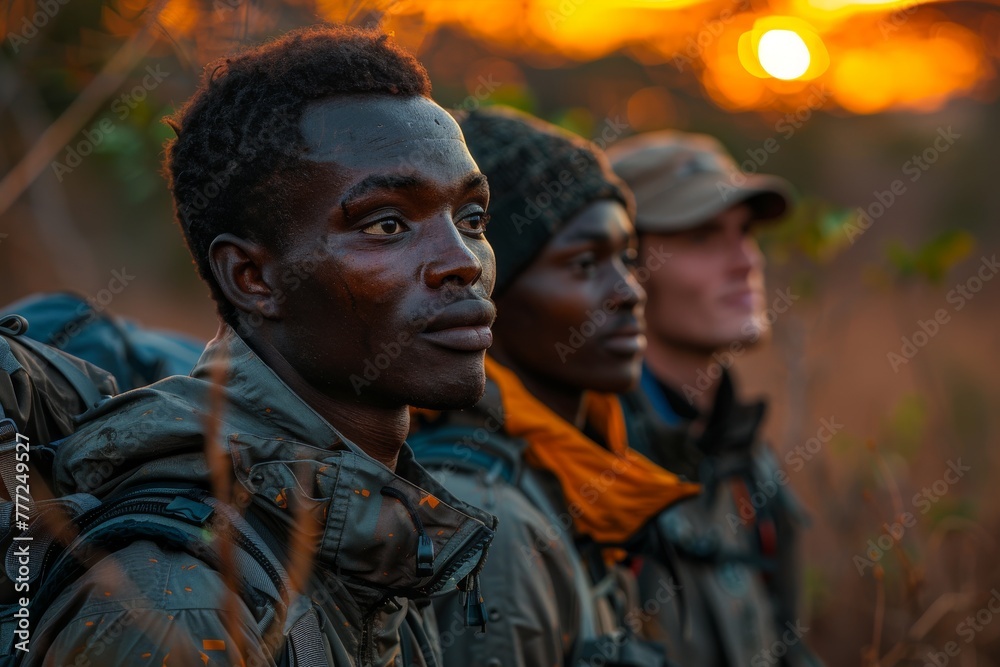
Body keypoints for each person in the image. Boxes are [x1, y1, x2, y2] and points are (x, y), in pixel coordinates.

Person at [26, 25, 500, 667]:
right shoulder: (178, 606)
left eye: (471, 220)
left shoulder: (379, 538)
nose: (462, 261)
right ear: (253, 278)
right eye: (388, 224)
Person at [409, 107, 699, 667]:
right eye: (586, 263)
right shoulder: (486, 520)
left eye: (628, 258)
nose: (630, 292)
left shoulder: (574, 467)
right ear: (485, 286)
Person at [608, 130, 821, 666]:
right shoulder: (595, 464)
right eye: (702, 236)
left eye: (744, 232)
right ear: (626, 267)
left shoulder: (742, 454)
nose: (744, 261)